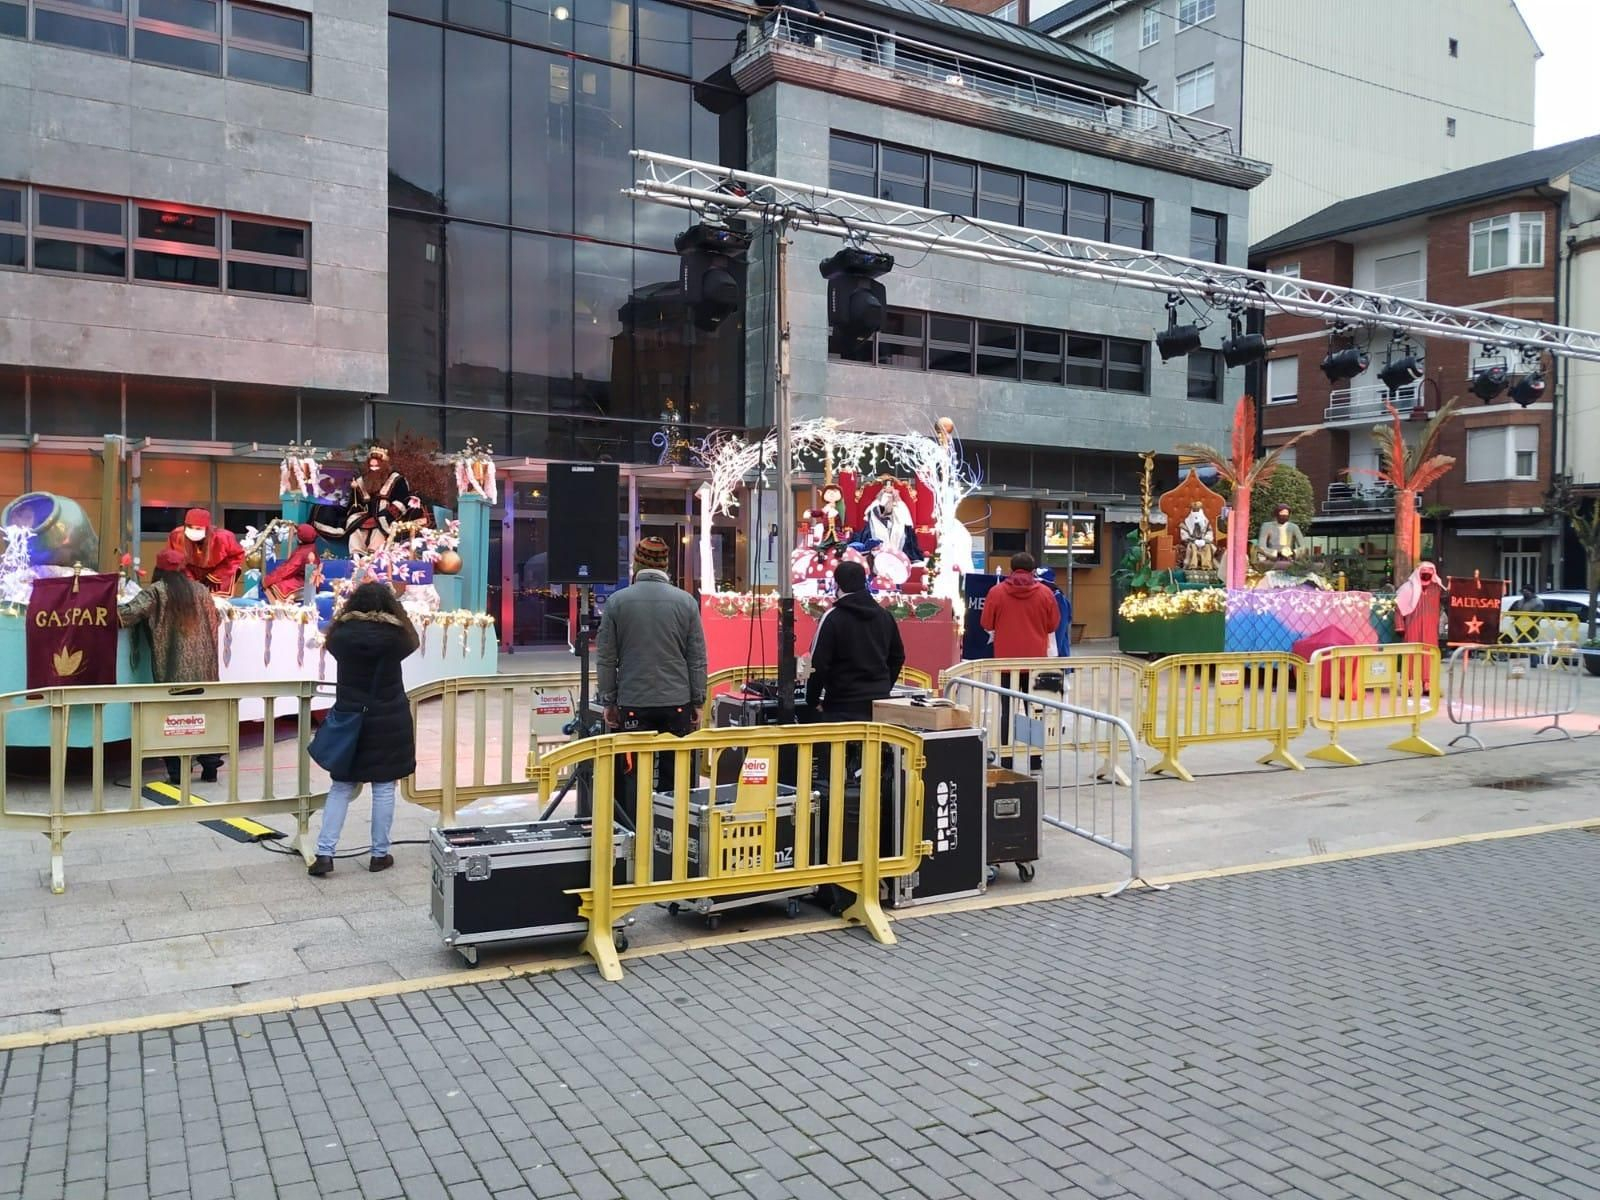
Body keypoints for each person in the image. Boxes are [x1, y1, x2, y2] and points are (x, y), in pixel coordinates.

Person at [309, 582, 420, 877]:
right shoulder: (397, 637)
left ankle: (324, 853)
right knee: (383, 787)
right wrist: (398, 611)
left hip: (350, 719)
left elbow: (330, 639)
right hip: (389, 718)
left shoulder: (340, 636)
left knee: (341, 786)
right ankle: (379, 854)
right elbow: (414, 640)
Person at [595, 536, 707, 824]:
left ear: (636, 564)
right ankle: (671, 829)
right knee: (675, 771)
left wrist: (608, 700)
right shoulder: (686, 602)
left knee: (632, 771)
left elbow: (606, 658)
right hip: (677, 702)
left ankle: (634, 829)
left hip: (633, 702)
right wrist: (698, 700)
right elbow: (696, 657)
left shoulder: (617, 602)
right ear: (666, 565)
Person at [119, 548, 224, 785]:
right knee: (206, 717)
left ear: (159, 569)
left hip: (173, 671)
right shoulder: (201, 590)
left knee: (174, 721)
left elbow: (127, 615)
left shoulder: (157, 591)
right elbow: (217, 618)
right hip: (206, 671)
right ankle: (210, 767)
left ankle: (177, 772)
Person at [806, 560, 906, 721]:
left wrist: (812, 700)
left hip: (841, 706)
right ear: (863, 582)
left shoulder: (832, 618)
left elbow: (818, 663)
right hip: (879, 705)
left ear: (837, 585)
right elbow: (898, 657)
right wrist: (883, 687)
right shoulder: (885, 616)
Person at [982, 553, 1061, 657]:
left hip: (1005, 656)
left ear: (1010, 570)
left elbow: (986, 623)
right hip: (1036, 656)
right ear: (1033, 572)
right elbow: (1053, 625)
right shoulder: (1046, 593)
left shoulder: (996, 592)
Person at [344, 446, 409, 556]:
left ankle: (375, 553)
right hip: (366, 515)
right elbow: (354, 503)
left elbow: (403, 500)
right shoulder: (361, 481)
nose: (374, 469)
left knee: (380, 525)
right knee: (354, 524)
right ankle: (357, 553)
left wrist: (389, 512)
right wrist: (355, 508)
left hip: (386, 515)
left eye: (377, 466)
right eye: (371, 466)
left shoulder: (396, 479)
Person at [166, 508, 245, 596]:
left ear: (207, 529)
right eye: (190, 527)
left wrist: (215, 577)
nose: (194, 531)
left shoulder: (224, 538)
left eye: (198, 528)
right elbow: (174, 560)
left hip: (218, 571)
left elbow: (235, 557)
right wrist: (189, 579)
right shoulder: (177, 536)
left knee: (215, 600)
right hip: (190, 569)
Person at [262, 524, 320, 604]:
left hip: (304, 582)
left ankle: (280, 606)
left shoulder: (302, 553)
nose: (295, 535)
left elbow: (288, 570)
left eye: (297, 533)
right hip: (308, 581)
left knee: (274, 586)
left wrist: (267, 580)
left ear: (301, 538)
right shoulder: (310, 546)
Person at [1036, 567, 1072, 658]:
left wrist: (1055, 650)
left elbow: (1060, 626)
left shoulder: (1057, 597)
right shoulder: (1051, 596)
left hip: (1055, 651)